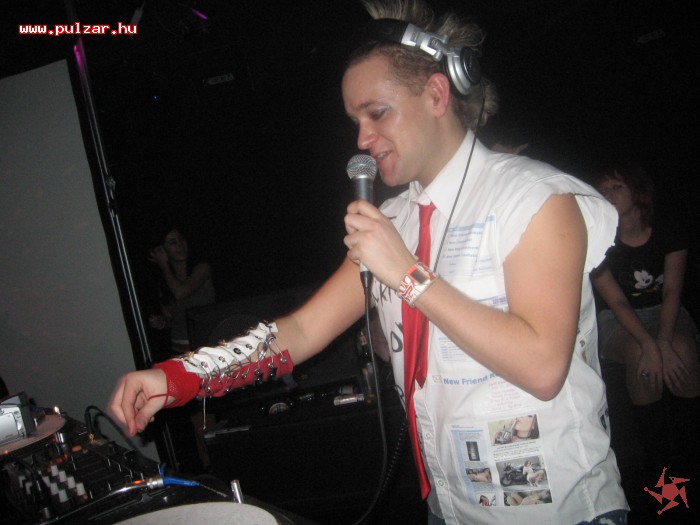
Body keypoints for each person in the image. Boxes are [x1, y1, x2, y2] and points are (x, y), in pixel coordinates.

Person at [109, 1, 627, 523]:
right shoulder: (395, 221)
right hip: (453, 510)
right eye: (355, 121)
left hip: (563, 512)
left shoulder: (534, 198)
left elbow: (542, 367)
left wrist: (406, 275)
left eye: (377, 113)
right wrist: (180, 377)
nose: (361, 140)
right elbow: (301, 331)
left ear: (436, 95)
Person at [590, 160, 700, 468]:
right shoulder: (597, 237)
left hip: (665, 308)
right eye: (603, 190)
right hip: (617, 318)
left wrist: (663, 341)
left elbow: (672, 291)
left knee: (682, 349)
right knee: (641, 356)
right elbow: (617, 302)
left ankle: (690, 451)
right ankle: (660, 466)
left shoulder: (668, 229)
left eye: (616, 187)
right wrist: (650, 344)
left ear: (637, 191)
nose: (609, 195)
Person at [147, 225, 216, 355]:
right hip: (179, 349)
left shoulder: (202, 269)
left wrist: (164, 265)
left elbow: (180, 293)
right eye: (173, 242)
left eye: (181, 239)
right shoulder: (164, 281)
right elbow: (172, 319)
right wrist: (162, 322)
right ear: (162, 250)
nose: (180, 245)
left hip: (206, 345)